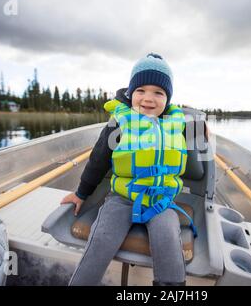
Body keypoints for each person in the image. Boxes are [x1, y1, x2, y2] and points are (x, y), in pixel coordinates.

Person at [61, 53, 195, 286]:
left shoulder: (176, 124)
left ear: (168, 98)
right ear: (131, 93)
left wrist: (202, 127)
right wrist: (81, 193)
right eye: (141, 90)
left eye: (158, 92)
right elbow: (98, 160)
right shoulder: (119, 123)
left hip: (160, 201)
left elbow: (194, 123)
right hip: (122, 198)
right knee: (101, 239)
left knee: (168, 241)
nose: (148, 99)